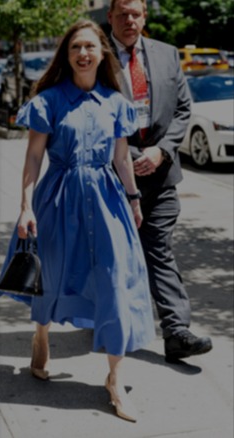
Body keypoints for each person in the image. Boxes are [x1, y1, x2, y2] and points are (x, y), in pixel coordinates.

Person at [0, 19, 156, 422]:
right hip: (57, 197)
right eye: (75, 48)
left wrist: (134, 199)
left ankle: (115, 380)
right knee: (51, 275)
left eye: (90, 47)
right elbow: (33, 158)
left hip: (107, 202)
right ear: (66, 57)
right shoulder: (48, 100)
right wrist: (25, 206)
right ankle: (42, 333)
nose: (83, 54)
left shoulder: (117, 103)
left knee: (115, 282)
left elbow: (122, 159)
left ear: (102, 53)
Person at [107, 0, 211, 362]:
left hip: (163, 175)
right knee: (117, 257)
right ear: (110, 17)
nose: (129, 20)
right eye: (121, 13)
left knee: (159, 250)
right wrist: (131, 157)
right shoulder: (94, 54)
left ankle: (176, 331)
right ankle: (112, 320)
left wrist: (162, 151)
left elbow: (183, 108)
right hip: (115, 177)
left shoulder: (167, 54)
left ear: (145, 16)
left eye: (135, 13)